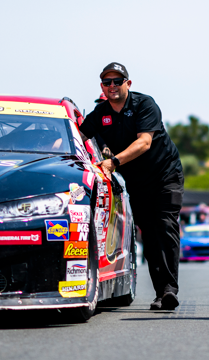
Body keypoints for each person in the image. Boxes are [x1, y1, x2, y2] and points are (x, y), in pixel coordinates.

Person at [79, 62, 184, 310]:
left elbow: (145, 142)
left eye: (118, 81)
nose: (112, 86)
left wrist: (113, 162)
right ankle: (161, 293)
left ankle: (170, 289)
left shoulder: (144, 104)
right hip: (137, 181)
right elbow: (77, 138)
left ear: (128, 83)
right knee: (148, 233)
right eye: (107, 82)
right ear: (102, 86)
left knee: (165, 226)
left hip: (165, 175)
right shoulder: (99, 114)